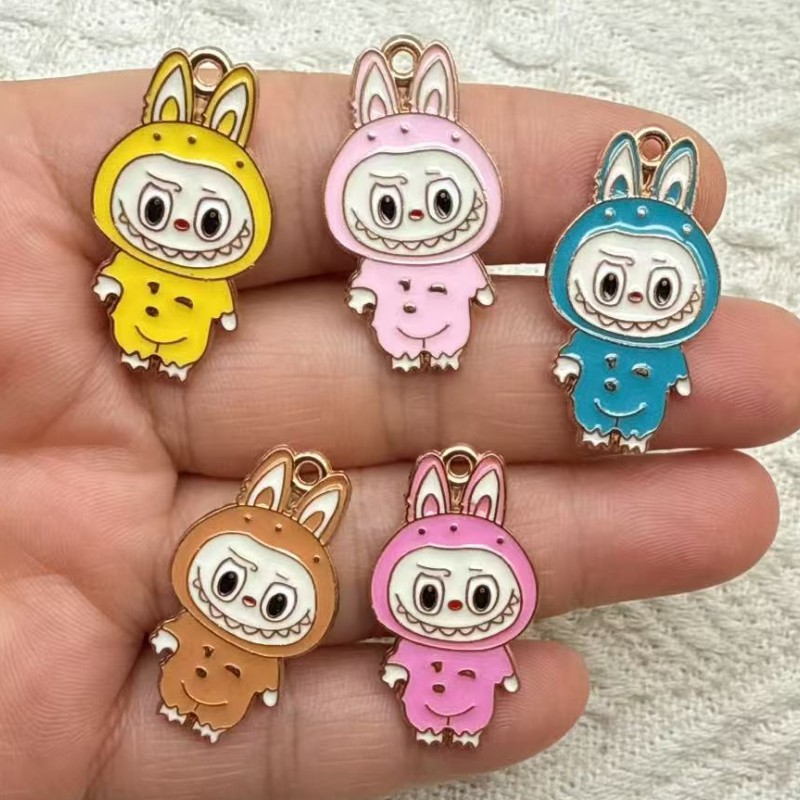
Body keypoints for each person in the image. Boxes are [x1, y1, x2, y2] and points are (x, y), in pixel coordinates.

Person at [0, 67, 794, 799]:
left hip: (569, 362)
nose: (413, 216)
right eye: (388, 204)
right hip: (208, 314)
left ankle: (523, 395)